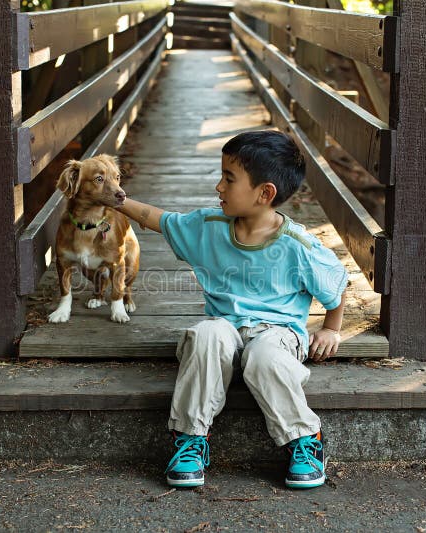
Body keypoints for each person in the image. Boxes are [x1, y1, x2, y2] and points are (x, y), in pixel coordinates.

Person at [116, 130, 348, 489]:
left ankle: (305, 439)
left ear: (264, 193)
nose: (218, 187)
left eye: (228, 178)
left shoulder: (298, 246)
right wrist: (116, 201)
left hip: (278, 334)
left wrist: (331, 328)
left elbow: (336, 284)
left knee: (264, 356)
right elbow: (156, 218)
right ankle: (191, 439)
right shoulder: (209, 227)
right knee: (205, 334)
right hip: (224, 329)